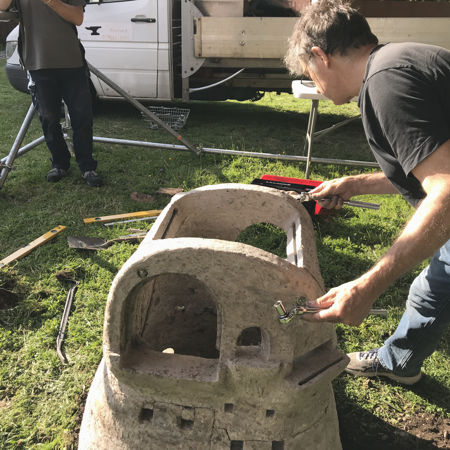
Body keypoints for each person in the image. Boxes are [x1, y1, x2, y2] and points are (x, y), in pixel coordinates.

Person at [285, 0, 450, 385]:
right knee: (433, 288)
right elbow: (427, 165)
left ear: (319, 55)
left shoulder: (386, 84)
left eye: (310, 73)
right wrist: (354, 184)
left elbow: (444, 194)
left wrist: (366, 287)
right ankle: (399, 362)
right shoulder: (398, 63)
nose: (318, 87)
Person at [0, 0, 102, 187]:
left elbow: (77, 17)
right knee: (49, 118)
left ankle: (87, 166)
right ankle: (60, 164)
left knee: (82, 118)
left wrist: (51, 2)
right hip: (37, 64)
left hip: (72, 62)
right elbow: (2, 6)